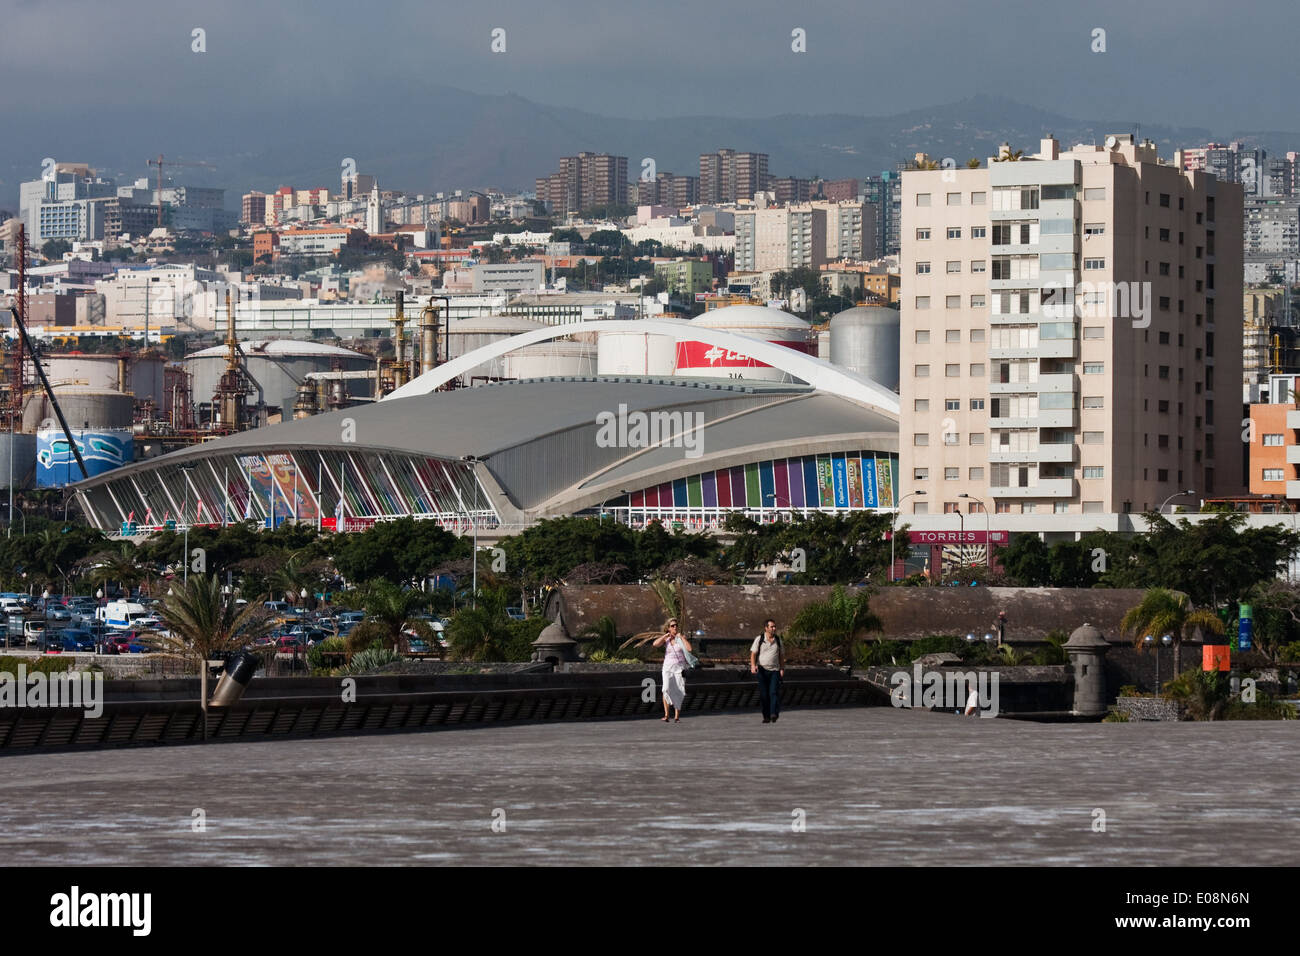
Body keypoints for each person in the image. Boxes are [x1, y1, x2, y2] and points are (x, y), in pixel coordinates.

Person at [652, 619, 691, 722]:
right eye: (672, 626)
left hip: (679, 668)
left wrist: (682, 637)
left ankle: (677, 716)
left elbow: (689, 649)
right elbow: (655, 644)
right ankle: (666, 715)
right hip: (667, 668)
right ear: (668, 628)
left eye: (676, 625)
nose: (675, 627)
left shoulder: (681, 638)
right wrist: (664, 636)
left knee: (678, 690)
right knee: (665, 689)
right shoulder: (667, 639)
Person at [750, 618, 784, 723]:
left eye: (775, 626)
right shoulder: (759, 639)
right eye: (772, 626)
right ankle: (766, 716)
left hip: (775, 670)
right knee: (764, 694)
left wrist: (782, 668)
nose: (774, 628)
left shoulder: (778, 640)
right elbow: (753, 654)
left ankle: (773, 713)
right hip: (762, 670)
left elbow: (781, 656)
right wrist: (753, 665)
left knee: (773, 692)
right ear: (766, 628)